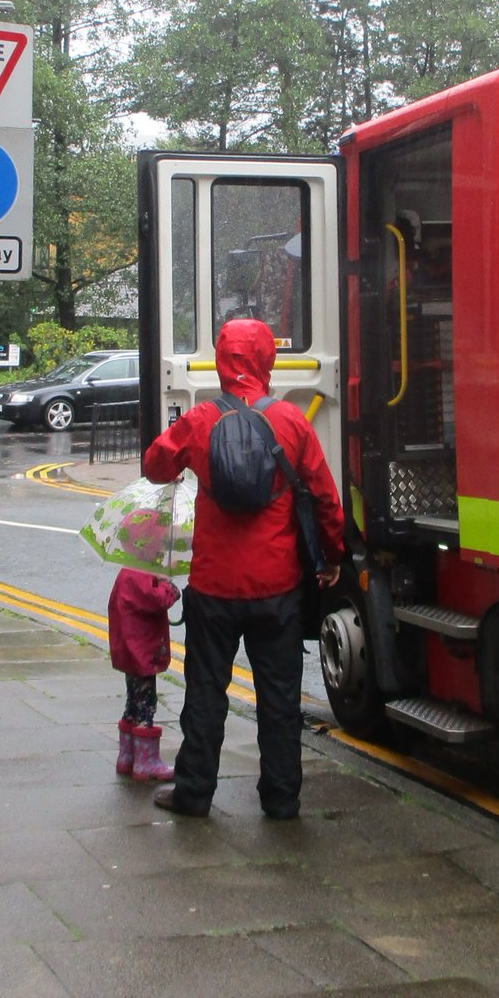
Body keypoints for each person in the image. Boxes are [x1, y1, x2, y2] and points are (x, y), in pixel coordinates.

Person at [142, 318, 344, 819]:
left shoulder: (201, 419)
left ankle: (193, 793)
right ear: (266, 360)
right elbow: (324, 498)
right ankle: (281, 799)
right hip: (277, 586)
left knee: (205, 693)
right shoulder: (291, 420)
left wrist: (187, 458)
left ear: (221, 359)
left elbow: (154, 466)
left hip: (214, 586)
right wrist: (331, 557)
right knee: (279, 699)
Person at [108, 568, 179, 782]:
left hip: (129, 649)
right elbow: (160, 600)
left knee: (133, 702)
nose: (160, 554)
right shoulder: (142, 575)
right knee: (146, 705)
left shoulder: (127, 572)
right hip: (143, 649)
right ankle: (145, 763)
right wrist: (169, 586)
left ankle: (127, 757)